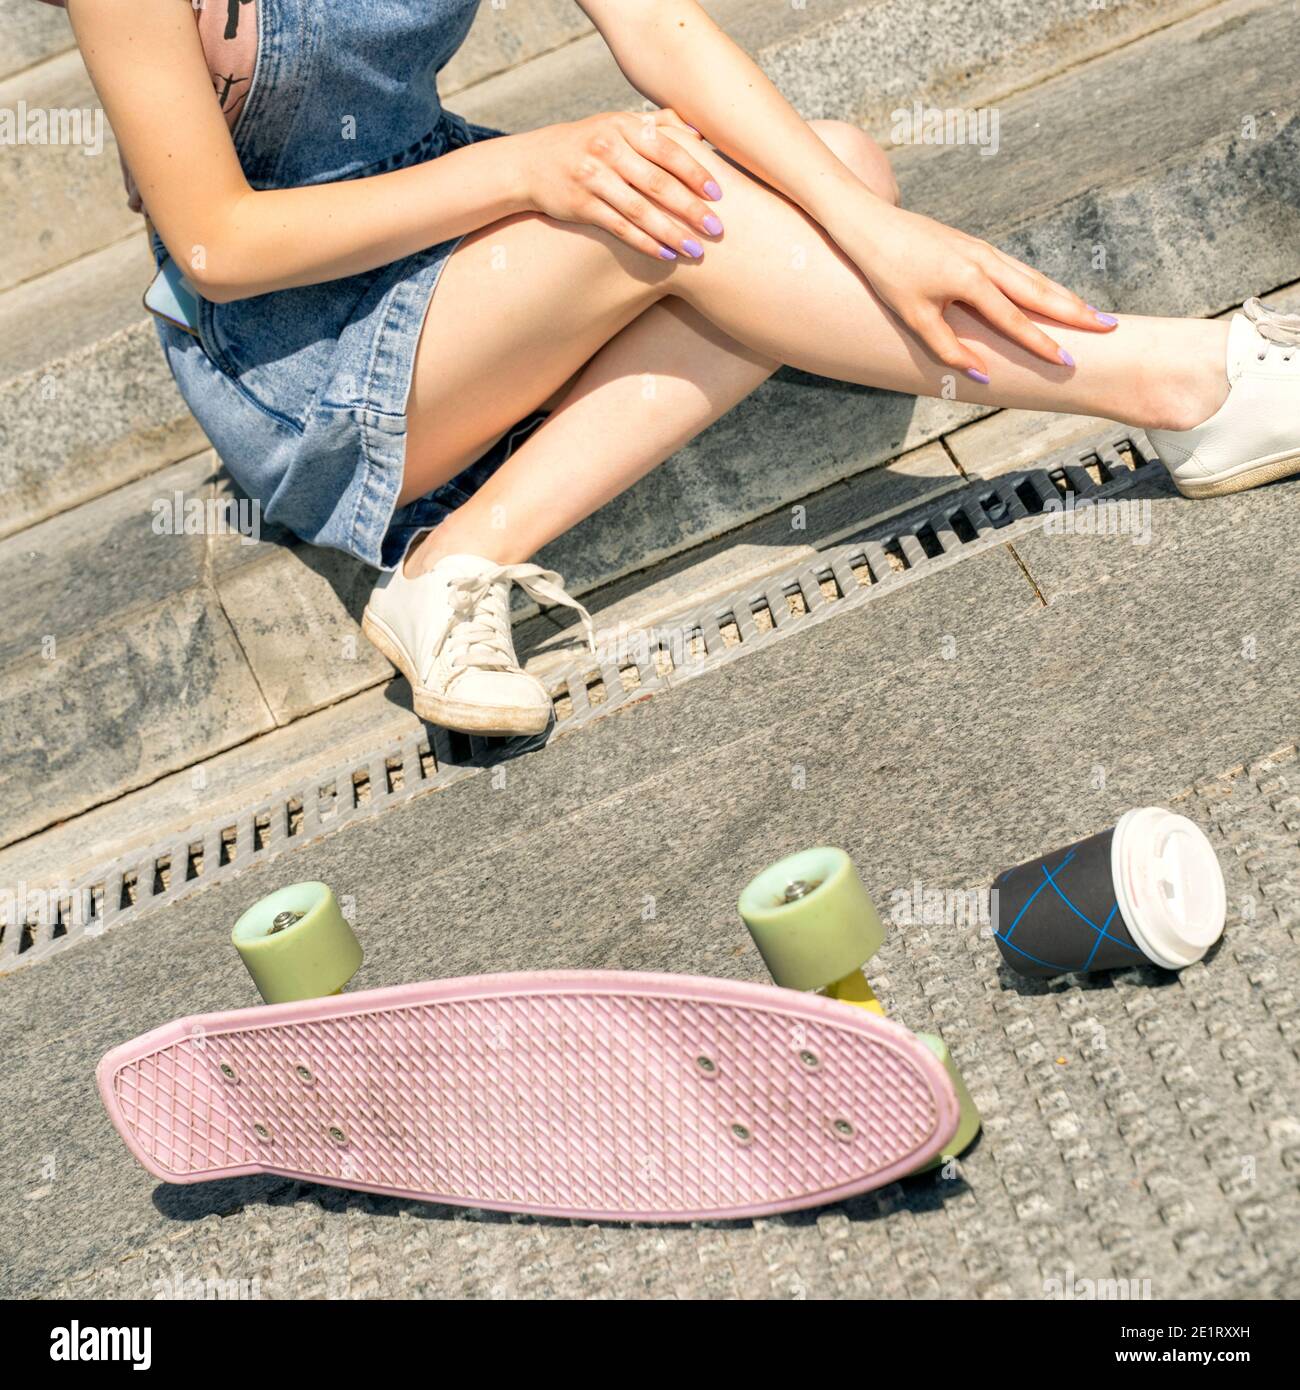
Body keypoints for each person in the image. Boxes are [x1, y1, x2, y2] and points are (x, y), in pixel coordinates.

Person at [55, 0, 1300, 735]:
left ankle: (450, 563)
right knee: (660, 203)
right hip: (296, 343)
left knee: (845, 168)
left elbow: (657, 24)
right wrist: (528, 168)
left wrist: (877, 231)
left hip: (460, 242)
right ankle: (1179, 384)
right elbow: (218, 241)